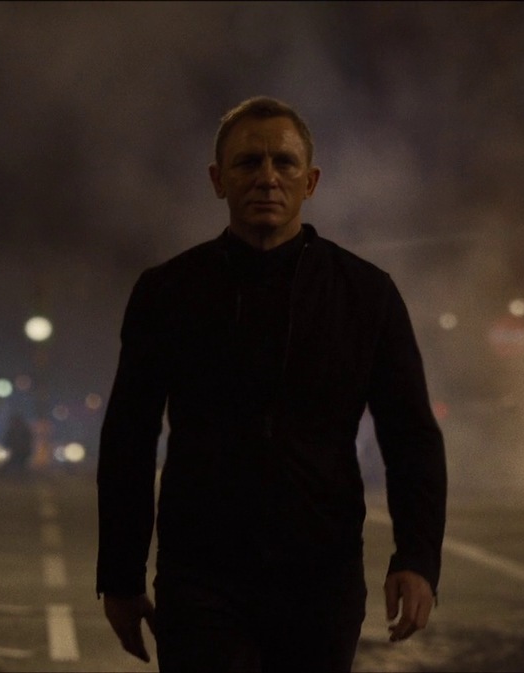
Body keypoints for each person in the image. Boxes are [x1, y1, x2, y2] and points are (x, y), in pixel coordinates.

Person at [96, 96, 447, 671]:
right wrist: (120, 576)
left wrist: (417, 557)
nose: (266, 178)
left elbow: (410, 435)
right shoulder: (169, 292)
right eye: (247, 163)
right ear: (217, 180)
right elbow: (128, 439)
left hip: (321, 578)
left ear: (310, 181)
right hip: (201, 575)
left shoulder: (365, 294)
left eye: (284, 163)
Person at [1, 410, 35, 477]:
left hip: (22, 452)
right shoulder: (14, 430)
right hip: (18, 452)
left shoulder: (23, 429)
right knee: (14, 465)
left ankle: (20, 478)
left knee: (18, 465)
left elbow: (29, 440)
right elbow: (7, 440)